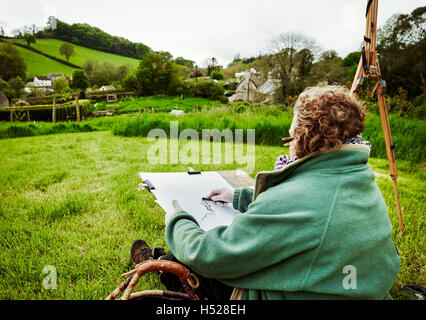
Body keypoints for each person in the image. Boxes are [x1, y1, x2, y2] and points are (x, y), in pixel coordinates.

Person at [130, 85, 400, 300]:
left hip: (294, 293)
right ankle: (161, 260)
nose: (288, 145)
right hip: (352, 286)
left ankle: (162, 265)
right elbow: (305, 214)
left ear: (307, 138)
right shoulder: (358, 178)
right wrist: (239, 196)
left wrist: (178, 220)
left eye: (291, 137)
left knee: (192, 254)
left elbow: (212, 255)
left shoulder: (295, 199)